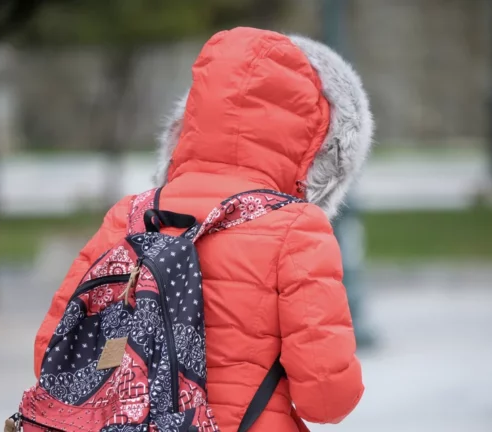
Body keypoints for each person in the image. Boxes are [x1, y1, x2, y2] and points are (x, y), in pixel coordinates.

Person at [34, 27, 373, 431]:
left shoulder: (131, 215)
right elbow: (327, 399)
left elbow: (53, 359)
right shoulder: (297, 229)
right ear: (316, 141)